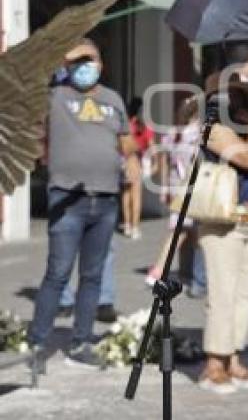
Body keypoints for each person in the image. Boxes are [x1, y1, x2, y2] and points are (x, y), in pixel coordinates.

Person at [28, 39, 134, 370]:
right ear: (68, 63)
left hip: (105, 200)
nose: (86, 65)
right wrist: (69, 55)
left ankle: (82, 340)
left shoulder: (112, 99)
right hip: (67, 199)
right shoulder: (55, 97)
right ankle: (36, 345)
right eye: (80, 60)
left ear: (102, 65)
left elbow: (126, 142)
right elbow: (36, 73)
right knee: (57, 273)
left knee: (92, 276)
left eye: (92, 59)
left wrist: (129, 161)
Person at [196, 39, 248, 394]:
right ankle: (213, 362)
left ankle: (234, 357)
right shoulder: (212, 118)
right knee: (223, 291)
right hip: (223, 220)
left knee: (245, 292)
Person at [147, 96, 201, 287]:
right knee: (179, 231)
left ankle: (191, 272)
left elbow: (165, 164)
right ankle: (159, 269)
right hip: (191, 189)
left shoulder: (172, 133)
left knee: (193, 232)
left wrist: (163, 188)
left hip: (177, 186)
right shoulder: (199, 134)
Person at [121, 96, 154, 240]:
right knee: (136, 195)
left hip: (122, 161)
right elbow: (152, 148)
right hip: (136, 161)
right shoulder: (144, 126)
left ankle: (127, 225)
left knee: (126, 194)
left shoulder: (126, 125)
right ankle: (135, 228)